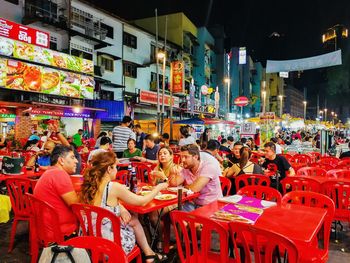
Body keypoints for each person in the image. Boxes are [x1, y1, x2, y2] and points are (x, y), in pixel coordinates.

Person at [80, 151, 168, 262]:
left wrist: (121, 208)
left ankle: (150, 254)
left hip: (88, 241)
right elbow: (142, 202)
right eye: (116, 167)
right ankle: (149, 254)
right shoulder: (113, 187)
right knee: (134, 221)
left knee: (134, 220)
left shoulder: (89, 186)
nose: (117, 170)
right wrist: (158, 188)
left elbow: (105, 202)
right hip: (109, 246)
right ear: (109, 169)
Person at [34, 145, 79, 238]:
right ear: (61, 160)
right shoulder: (59, 174)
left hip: (45, 226)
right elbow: (76, 206)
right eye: (72, 157)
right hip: (59, 231)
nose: (76, 161)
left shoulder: (50, 172)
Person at [169, 144, 223, 211]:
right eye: (181, 157)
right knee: (174, 213)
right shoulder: (186, 168)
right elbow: (174, 184)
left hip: (212, 205)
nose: (182, 160)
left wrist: (184, 187)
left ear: (196, 157)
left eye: (186, 157)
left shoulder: (208, 166)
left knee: (180, 215)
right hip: (194, 203)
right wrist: (172, 172)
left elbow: (195, 188)